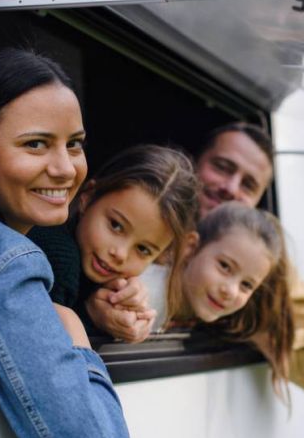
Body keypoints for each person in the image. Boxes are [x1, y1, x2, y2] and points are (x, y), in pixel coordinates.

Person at [90, 122, 304, 406]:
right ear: (196, 164)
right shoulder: (141, 215)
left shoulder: (266, 277)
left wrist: (252, 319)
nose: (231, 188)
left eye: (248, 185)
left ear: (258, 201)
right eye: (222, 167)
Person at [0, 47, 130, 438]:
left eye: (74, 144)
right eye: (35, 144)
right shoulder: (4, 264)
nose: (66, 169)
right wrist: (75, 335)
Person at [28, 144, 200, 337]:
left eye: (143, 249)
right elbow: (35, 340)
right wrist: (92, 317)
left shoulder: (113, 279)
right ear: (88, 196)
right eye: (116, 226)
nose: (120, 253)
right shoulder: (57, 256)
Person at [154, 202, 294, 400]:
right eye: (225, 266)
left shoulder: (209, 319)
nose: (230, 291)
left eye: (246, 285)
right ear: (191, 247)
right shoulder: (144, 292)